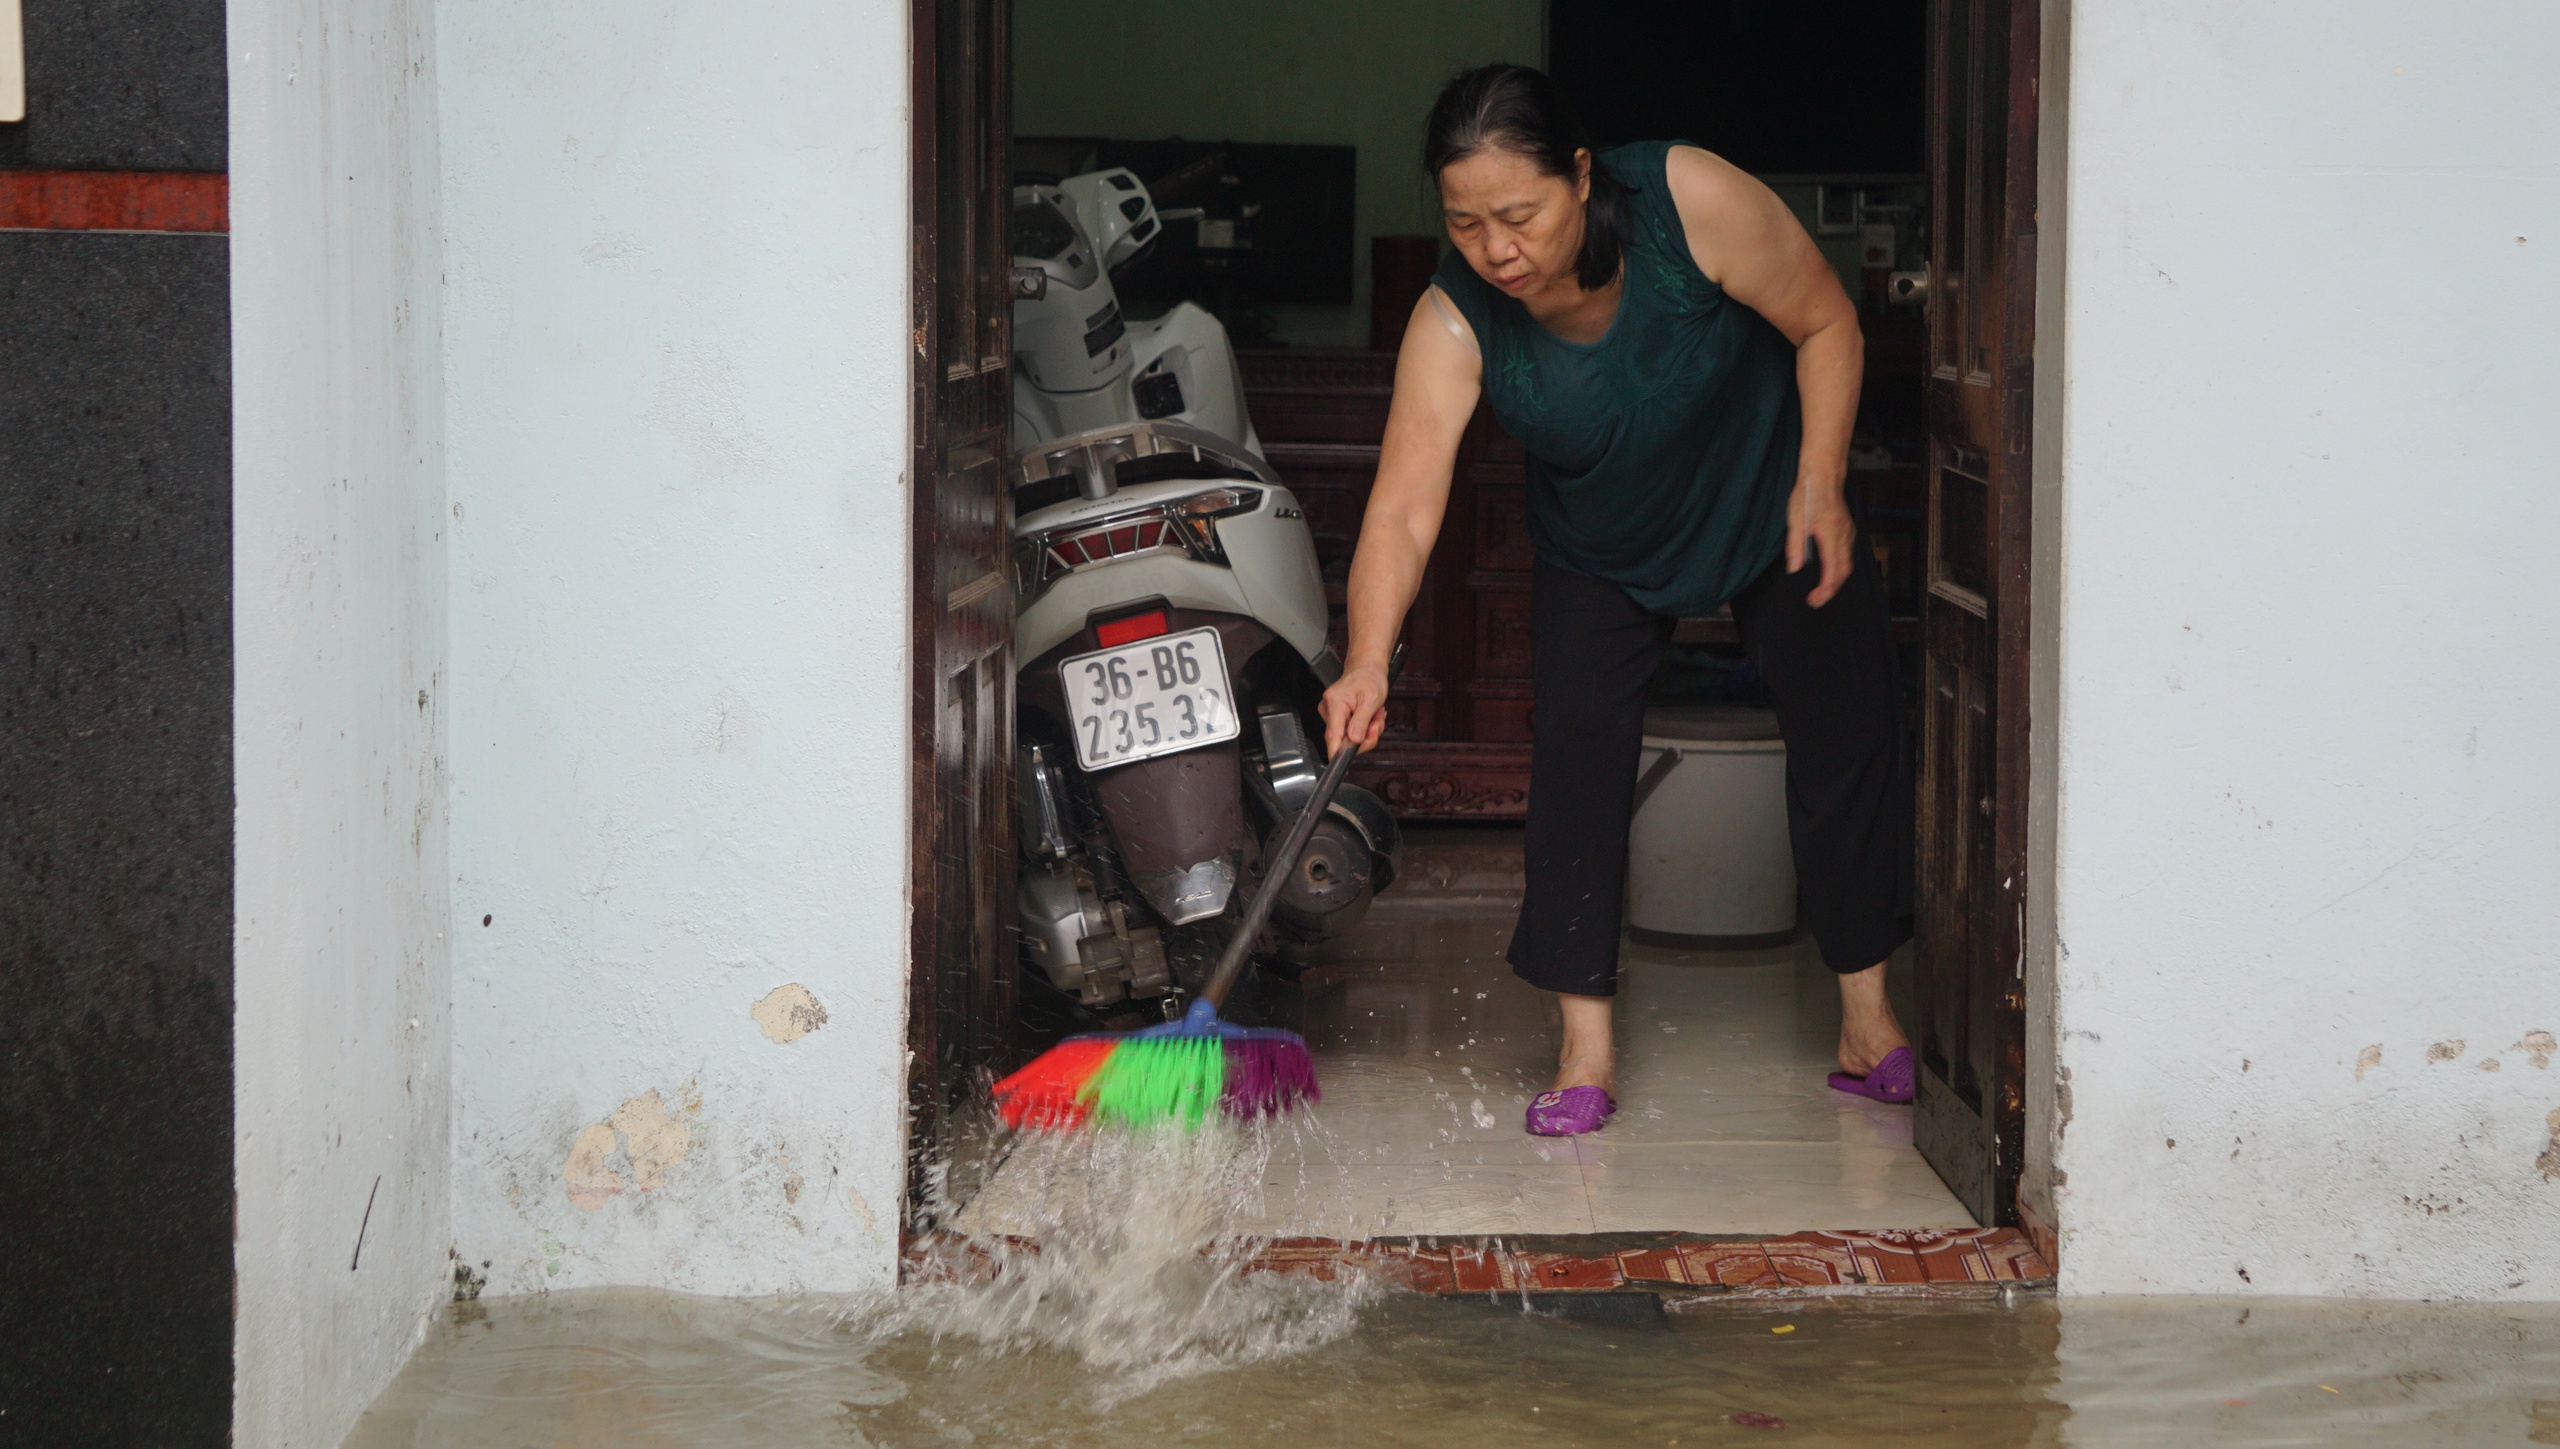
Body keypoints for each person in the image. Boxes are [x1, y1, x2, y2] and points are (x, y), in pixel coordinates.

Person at [1317, 65, 1916, 1137]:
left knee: (1845, 733)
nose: (1495, 249)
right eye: (1465, 223)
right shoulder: (1455, 321)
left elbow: (1829, 324)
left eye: (1518, 215)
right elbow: (1403, 511)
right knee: (1578, 775)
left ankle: (1867, 1021)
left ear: (1580, 176)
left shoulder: (1690, 204)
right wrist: (1366, 658)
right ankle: (1583, 1050)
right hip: (1599, 545)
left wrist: (1821, 480)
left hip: (1771, 502)